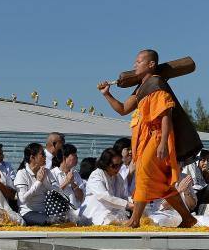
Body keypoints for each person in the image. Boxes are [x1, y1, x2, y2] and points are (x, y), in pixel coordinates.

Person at [99, 49, 197, 228]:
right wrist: (107, 94)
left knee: (143, 173)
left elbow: (166, 115)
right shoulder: (140, 88)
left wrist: (162, 142)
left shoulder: (156, 82)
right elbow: (122, 109)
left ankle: (134, 220)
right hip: (145, 139)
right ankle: (188, 218)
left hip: (157, 136)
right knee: (163, 183)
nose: (134, 65)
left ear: (151, 64)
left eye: (139, 61)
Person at [13, 142, 65, 225]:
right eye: (42, 155)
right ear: (32, 157)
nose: (45, 157)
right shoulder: (21, 173)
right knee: (50, 222)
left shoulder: (46, 172)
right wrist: (38, 182)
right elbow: (23, 200)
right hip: (28, 212)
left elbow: (59, 191)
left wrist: (45, 182)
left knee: (64, 220)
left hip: (46, 211)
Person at [81, 148, 132, 226]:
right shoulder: (96, 175)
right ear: (105, 164)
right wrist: (128, 204)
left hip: (114, 214)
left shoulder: (118, 177)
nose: (118, 168)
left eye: (120, 165)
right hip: (96, 215)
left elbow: (123, 196)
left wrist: (134, 203)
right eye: (114, 166)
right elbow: (104, 197)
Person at [51, 143, 85, 217]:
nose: (77, 158)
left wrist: (73, 184)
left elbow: (81, 197)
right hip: (60, 213)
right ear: (64, 158)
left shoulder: (75, 174)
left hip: (77, 213)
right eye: (74, 155)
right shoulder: (52, 173)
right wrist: (66, 182)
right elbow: (52, 196)